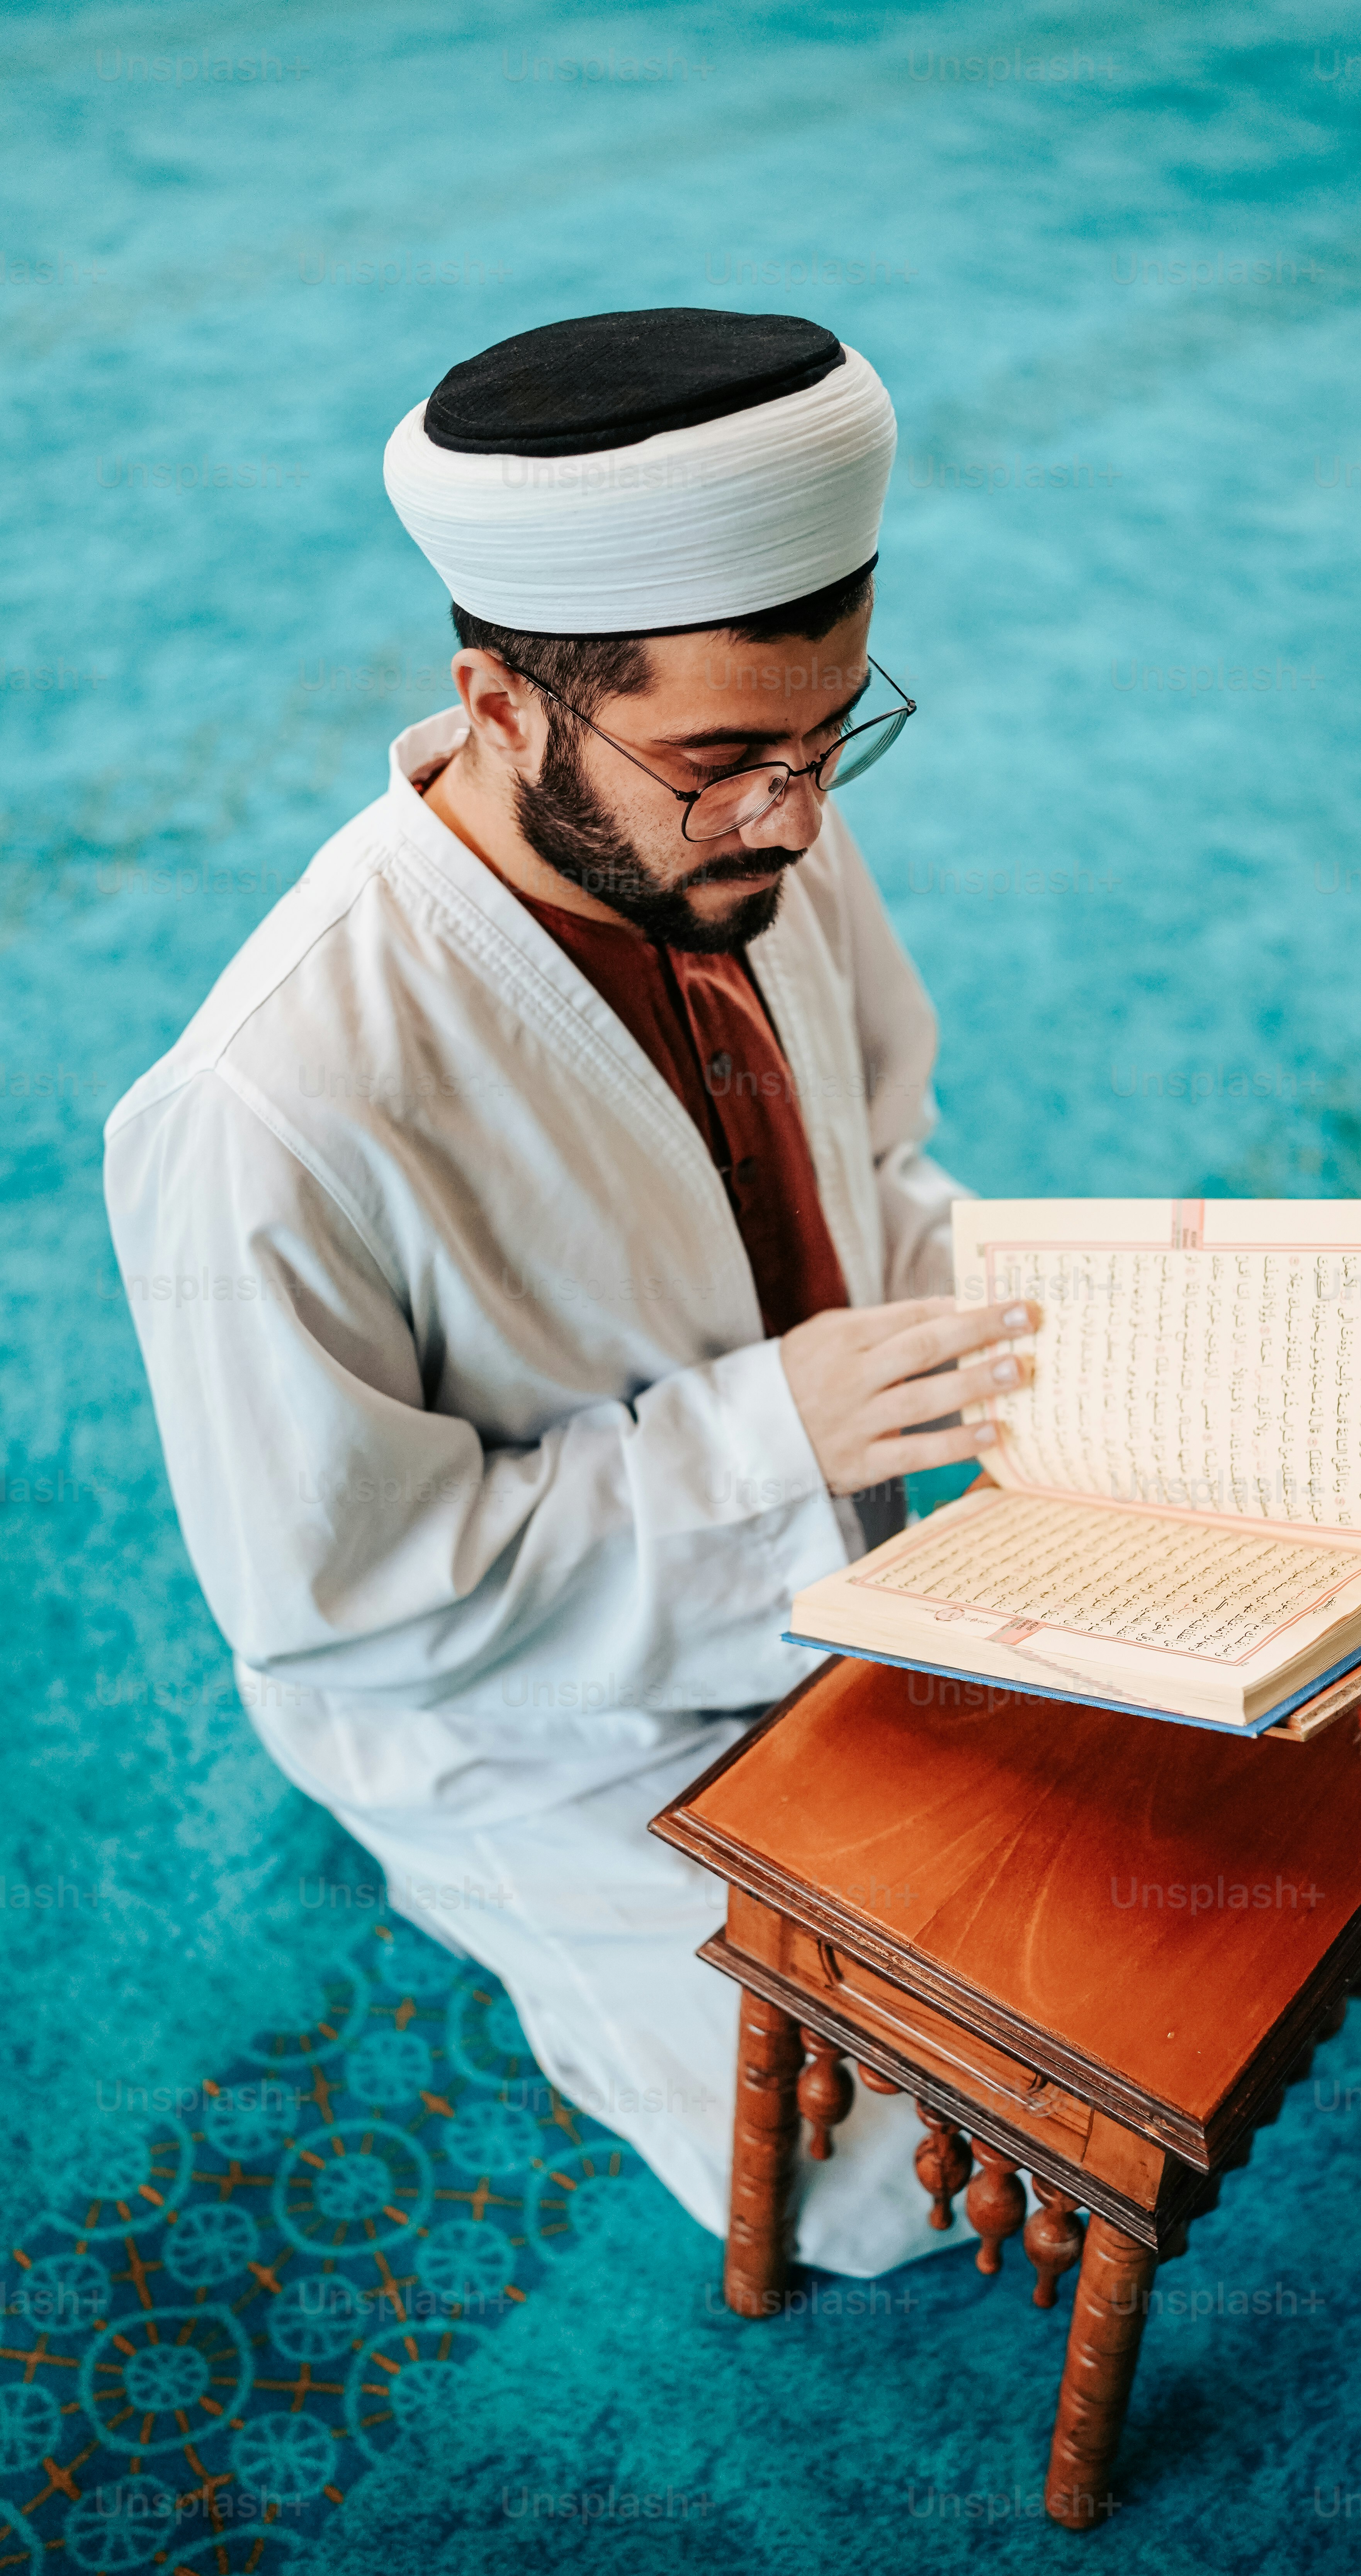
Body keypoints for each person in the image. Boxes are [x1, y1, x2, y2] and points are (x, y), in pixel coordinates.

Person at [104, 308, 1039, 2273]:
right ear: (501, 703)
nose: (790, 815)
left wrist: (1065, 1329)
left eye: (830, 734)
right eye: (722, 763)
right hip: (533, 1719)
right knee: (897, 2181)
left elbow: (874, 1163)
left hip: (839, 1553)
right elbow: (343, 1604)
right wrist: (764, 1434)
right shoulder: (267, 1108)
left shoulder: (753, 820)